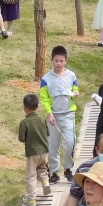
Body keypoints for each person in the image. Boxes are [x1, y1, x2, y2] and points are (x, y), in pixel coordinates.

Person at [40, 46, 78, 184]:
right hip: (53, 116)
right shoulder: (46, 79)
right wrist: (49, 113)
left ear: (66, 61)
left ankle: (68, 169)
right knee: (52, 146)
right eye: (56, 61)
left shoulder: (71, 75)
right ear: (51, 60)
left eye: (61, 61)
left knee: (70, 143)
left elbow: (75, 87)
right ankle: (54, 171)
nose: (59, 63)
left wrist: (75, 92)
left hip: (68, 114)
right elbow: (44, 98)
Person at [19, 94, 51, 206]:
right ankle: (45, 182)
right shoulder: (42, 118)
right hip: (44, 150)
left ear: (25, 107)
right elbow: (48, 133)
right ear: (37, 106)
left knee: (31, 175)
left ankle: (31, 199)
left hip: (32, 153)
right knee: (43, 168)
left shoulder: (24, 122)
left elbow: (21, 138)